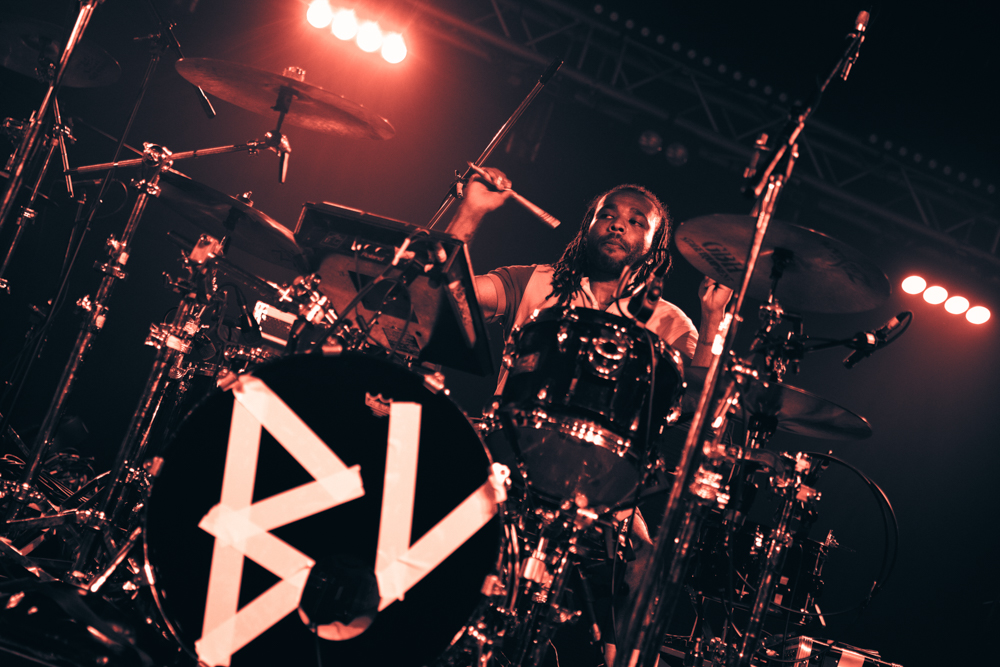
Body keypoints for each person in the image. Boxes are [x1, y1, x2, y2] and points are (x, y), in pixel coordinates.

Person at [447, 168, 733, 665]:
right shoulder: (536, 283)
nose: (618, 224)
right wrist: (470, 212)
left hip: (605, 492)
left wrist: (711, 323)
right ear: (589, 226)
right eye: (608, 215)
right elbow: (447, 297)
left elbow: (702, 414)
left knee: (646, 567)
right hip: (508, 467)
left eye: (636, 221)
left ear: (655, 244)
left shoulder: (669, 322)